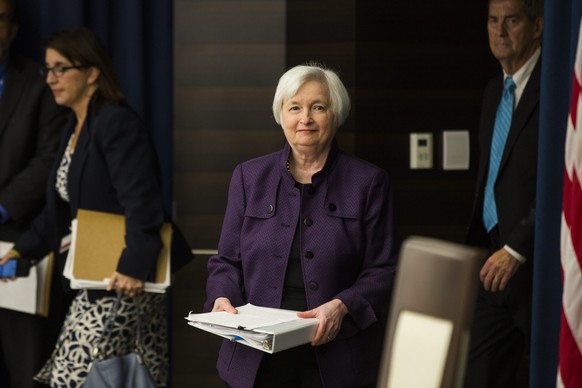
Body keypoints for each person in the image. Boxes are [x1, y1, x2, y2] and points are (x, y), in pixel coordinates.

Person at [0, 26, 191, 387]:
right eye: (47, 69)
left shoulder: (116, 122)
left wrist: (133, 267)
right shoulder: (75, 126)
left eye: (61, 69)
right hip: (98, 277)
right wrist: (20, 253)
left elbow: (143, 202)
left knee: (86, 378)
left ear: (92, 73)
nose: (51, 79)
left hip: (126, 279)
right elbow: (58, 214)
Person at [204, 63, 397, 388]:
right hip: (255, 354)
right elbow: (226, 262)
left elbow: (384, 270)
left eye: (318, 107)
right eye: (295, 107)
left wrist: (342, 307)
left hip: (335, 356)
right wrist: (221, 298)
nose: (305, 118)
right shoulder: (249, 177)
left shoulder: (368, 182)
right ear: (281, 114)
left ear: (335, 114)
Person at [465, 0, 543, 387]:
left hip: (539, 267)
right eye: (493, 21)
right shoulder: (493, 90)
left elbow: (565, 184)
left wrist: (517, 248)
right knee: (477, 376)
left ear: (537, 26)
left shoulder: (561, 89)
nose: (500, 31)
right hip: (491, 266)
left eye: (511, 20)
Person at [0, 0, 67, 387]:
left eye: (1, 20)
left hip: (20, 242)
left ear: (13, 28)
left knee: (28, 368)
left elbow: (49, 160)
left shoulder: (40, 81)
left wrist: (3, 206)